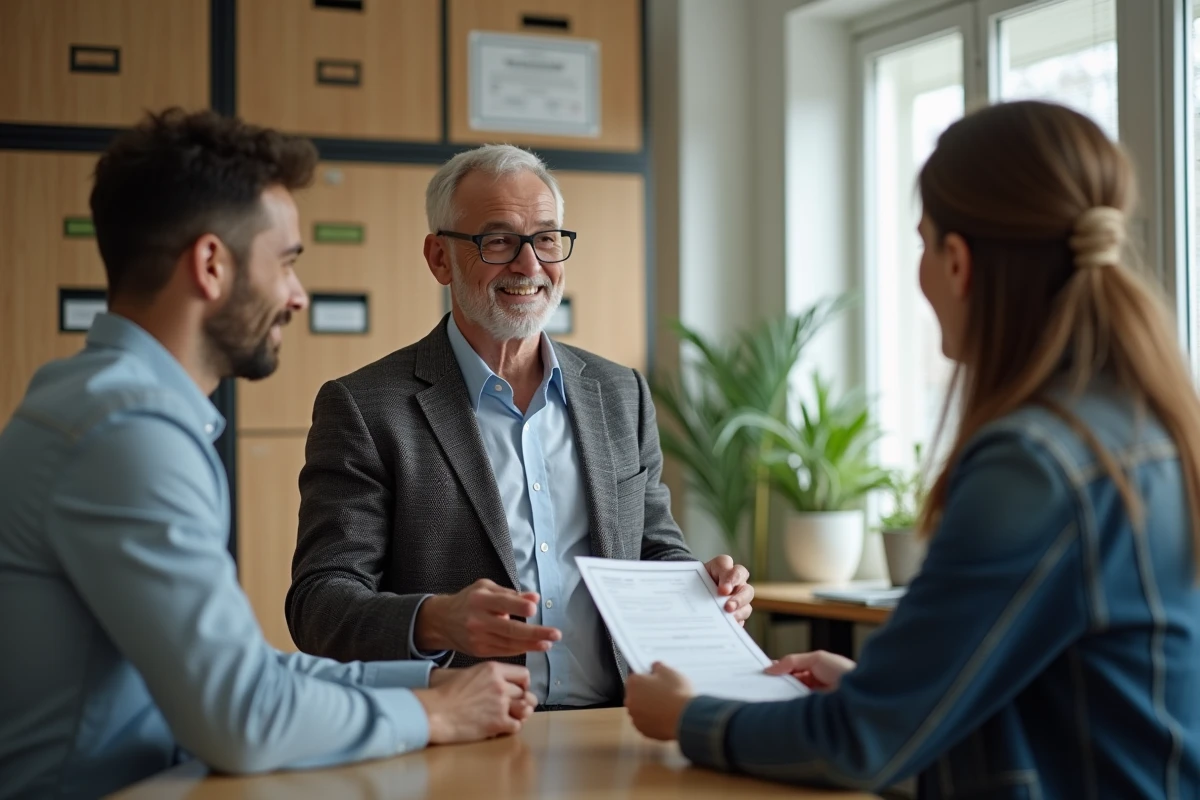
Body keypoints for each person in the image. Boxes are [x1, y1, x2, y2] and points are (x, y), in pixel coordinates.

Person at [623, 100, 1200, 798]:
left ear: (957, 262)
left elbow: (860, 743)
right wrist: (877, 690)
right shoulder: (1146, 425)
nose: (920, 272)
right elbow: (1064, 685)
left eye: (923, 245)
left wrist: (687, 716)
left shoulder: (1033, 465)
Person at [0, 109, 535, 800]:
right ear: (211, 265)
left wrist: (427, 682)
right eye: (285, 263)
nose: (298, 296)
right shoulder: (127, 432)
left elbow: (244, 672)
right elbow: (242, 717)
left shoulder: (96, 399)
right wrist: (432, 714)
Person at [286, 144, 755, 710]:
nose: (530, 265)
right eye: (498, 240)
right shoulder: (366, 407)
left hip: (616, 724)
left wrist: (700, 587)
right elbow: (319, 604)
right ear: (440, 258)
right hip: (464, 727)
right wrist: (435, 620)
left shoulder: (620, 393)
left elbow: (653, 549)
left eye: (547, 239)